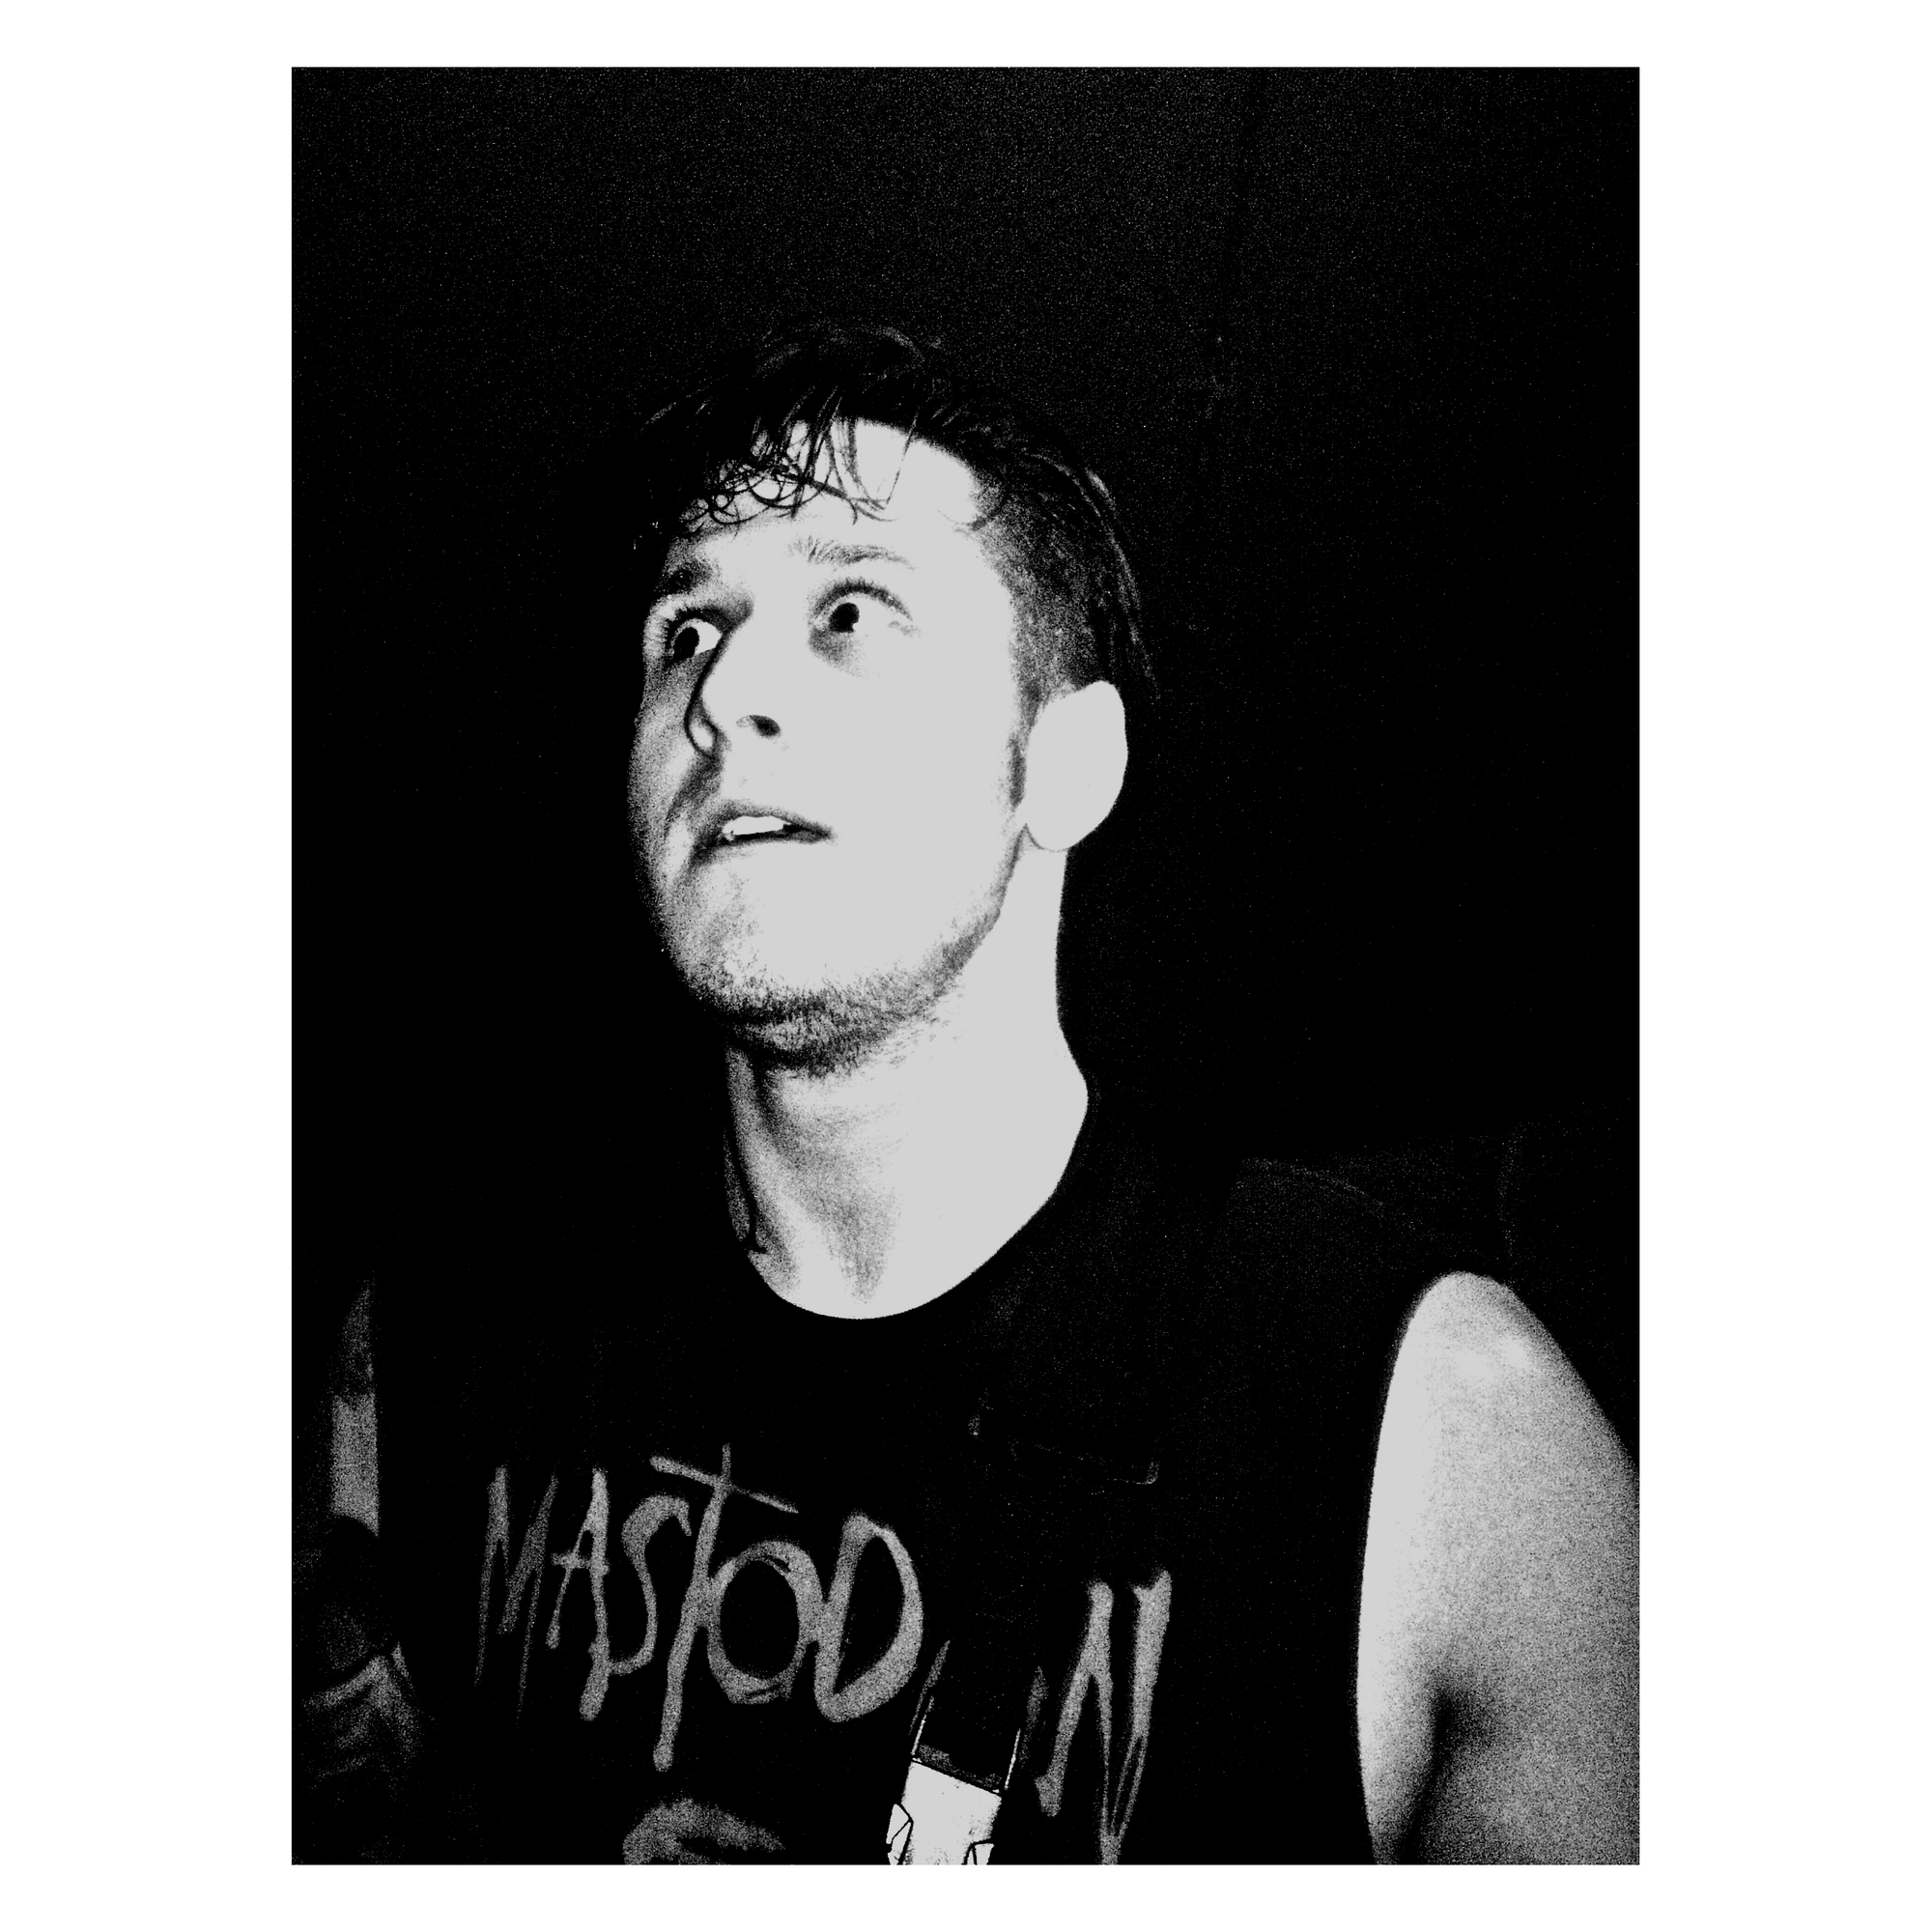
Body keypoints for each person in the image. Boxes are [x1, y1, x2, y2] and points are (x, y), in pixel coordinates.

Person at [298, 320, 1635, 1863]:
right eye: (686, 630)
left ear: (1067, 766)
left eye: (850, 610)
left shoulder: (1438, 1432)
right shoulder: (434, 1325)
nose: (725, 692)